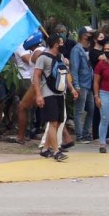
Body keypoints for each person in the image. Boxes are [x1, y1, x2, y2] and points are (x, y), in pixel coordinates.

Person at [32, 33, 69, 162]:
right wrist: (38, 94)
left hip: (59, 93)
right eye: (61, 42)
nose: (63, 45)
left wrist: (72, 89)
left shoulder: (61, 57)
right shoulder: (43, 58)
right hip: (48, 94)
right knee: (53, 122)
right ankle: (56, 151)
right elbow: (36, 76)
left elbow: (65, 74)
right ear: (55, 44)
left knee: (58, 122)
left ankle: (45, 148)